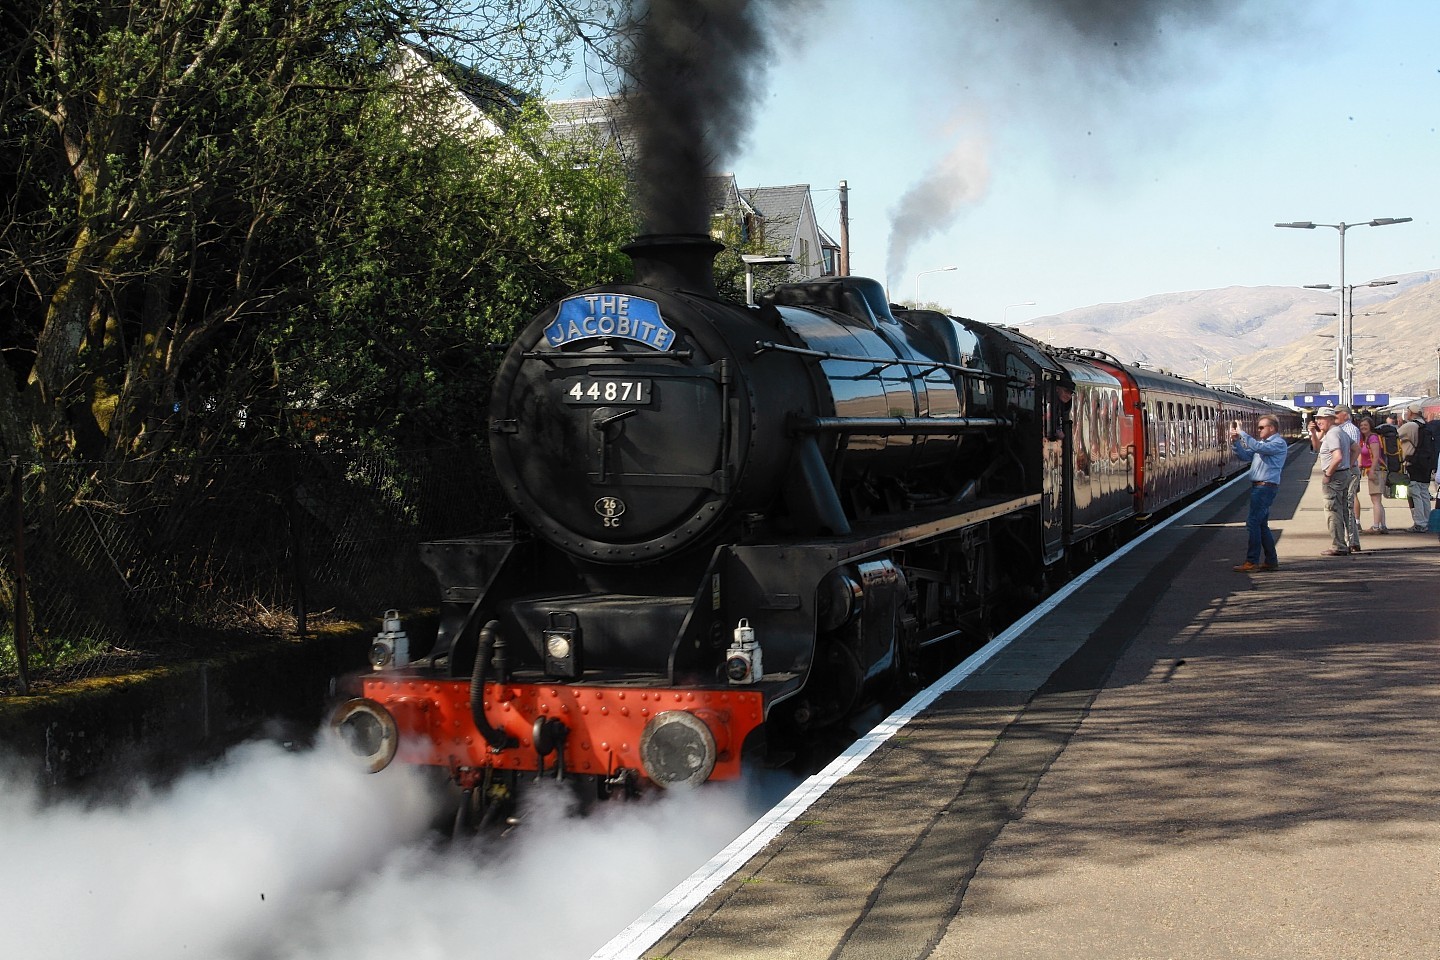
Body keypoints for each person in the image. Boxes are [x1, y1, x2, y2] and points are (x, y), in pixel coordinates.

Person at [1229, 414, 1287, 572]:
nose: (1258, 430)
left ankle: (1252, 561)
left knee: (1253, 523)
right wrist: (1235, 441)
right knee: (1261, 525)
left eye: (1261, 427)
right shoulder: (1262, 444)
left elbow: (1258, 448)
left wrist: (1242, 433)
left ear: (1272, 428)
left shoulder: (1278, 443)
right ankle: (1270, 560)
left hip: (1265, 488)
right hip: (1259, 487)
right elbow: (1245, 455)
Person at [1309, 406, 1355, 557]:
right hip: (1344, 474)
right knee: (1342, 510)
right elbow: (1356, 449)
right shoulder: (1340, 432)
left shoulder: (1332, 434)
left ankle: (1338, 545)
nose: (1318, 421)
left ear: (1330, 419)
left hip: (1335, 477)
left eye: (1321, 418)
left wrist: (1328, 474)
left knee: (1332, 511)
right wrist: (1349, 465)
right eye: (1317, 418)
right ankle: (1349, 542)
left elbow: (1338, 457)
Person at [1398, 402, 1433, 532]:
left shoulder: (1410, 425)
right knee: (1424, 492)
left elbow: (1397, 434)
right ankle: (1426, 521)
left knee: (1415, 492)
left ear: (1411, 413)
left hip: (1413, 462)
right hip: (1426, 463)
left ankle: (1419, 522)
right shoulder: (1426, 426)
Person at [1334, 405, 1364, 551]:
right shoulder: (1341, 429)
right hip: (1347, 470)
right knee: (1345, 505)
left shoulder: (1350, 429)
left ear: (1345, 415)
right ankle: (1352, 541)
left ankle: (1352, 541)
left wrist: (1348, 466)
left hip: (1349, 471)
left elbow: (1353, 450)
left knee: (1348, 505)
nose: (1335, 416)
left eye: (1337, 414)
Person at [1355, 415, 1387, 533]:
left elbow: (1376, 456)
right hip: (1374, 470)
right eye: (1361, 425)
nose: (1363, 427)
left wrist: (1372, 470)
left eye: (1365, 425)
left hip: (1376, 470)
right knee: (1378, 499)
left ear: (1370, 426)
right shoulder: (1366, 438)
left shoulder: (1372, 438)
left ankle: (1376, 526)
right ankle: (1382, 526)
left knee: (1375, 500)